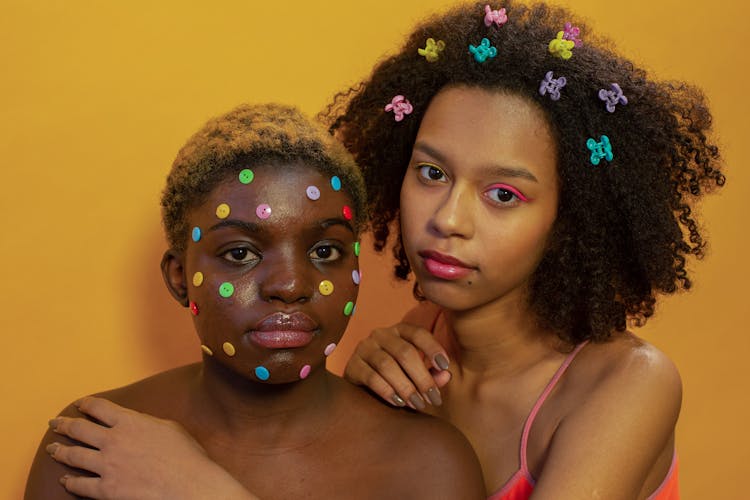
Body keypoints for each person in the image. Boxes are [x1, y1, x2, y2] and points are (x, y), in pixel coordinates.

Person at [34, 1, 725, 498]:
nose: (449, 219)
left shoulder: (629, 384)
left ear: (570, 219)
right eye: (431, 173)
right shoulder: (402, 351)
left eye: (503, 196)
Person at [24, 103, 485, 499]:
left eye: (325, 251)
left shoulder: (428, 467)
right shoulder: (97, 445)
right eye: (240, 253)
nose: (288, 286)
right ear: (180, 277)